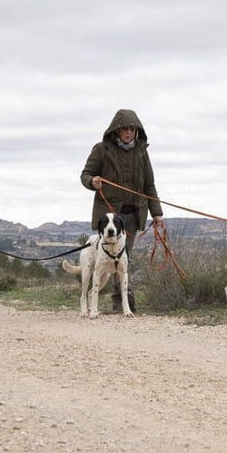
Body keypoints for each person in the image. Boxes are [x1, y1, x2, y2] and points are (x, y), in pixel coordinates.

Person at [80, 109, 163, 312]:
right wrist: (92, 181)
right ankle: (114, 301)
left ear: (136, 131)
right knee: (107, 257)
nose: (128, 132)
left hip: (132, 216)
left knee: (124, 256)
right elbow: (86, 175)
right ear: (116, 130)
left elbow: (149, 185)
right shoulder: (101, 149)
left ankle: (121, 301)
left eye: (132, 129)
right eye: (125, 129)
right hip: (108, 217)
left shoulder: (142, 153)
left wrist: (157, 213)